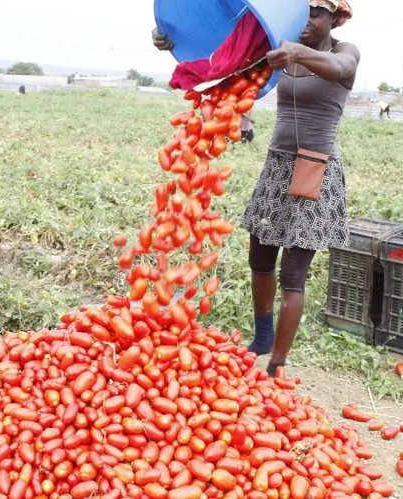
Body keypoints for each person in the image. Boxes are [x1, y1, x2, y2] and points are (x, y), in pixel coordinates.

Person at [154, 0, 359, 377]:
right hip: (277, 167)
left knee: (293, 277)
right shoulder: (281, 49)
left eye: (316, 14)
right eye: (304, 13)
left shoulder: (342, 53)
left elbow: (340, 68)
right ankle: (262, 336)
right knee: (260, 261)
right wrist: (176, 45)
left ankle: (277, 364)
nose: (308, 21)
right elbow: (225, 65)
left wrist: (296, 51)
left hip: (315, 170)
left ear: (335, 18)